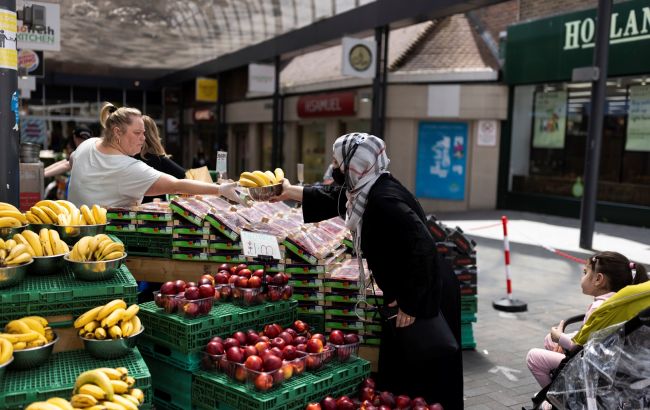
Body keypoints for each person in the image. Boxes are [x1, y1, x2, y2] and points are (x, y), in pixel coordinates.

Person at [271, 132, 463, 408]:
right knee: (403, 368)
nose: (334, 169)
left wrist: (410, 302)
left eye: (338, 163)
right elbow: (334, 197)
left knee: (426, 366)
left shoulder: (383, 200)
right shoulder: (368, 187)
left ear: (354, 165)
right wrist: (289, 192)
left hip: (426, 290)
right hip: (411, 287)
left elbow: (423, 247)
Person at [67, 102, 241, 208]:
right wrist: (219, 189)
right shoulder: (128, 168)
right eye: (137, 133)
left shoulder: (87, 145)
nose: (143, 138)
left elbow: (72, 160)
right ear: (117, 132)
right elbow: (176, 185)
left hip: (70, 232)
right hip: (104, 243)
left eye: (144, 133)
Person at [526, 251, 648, 389]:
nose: (582, 277)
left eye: (585, 272)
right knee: (549, 339)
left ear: (598, 279)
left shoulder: (599, 308)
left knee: (533, 357)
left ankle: (551, 396)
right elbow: (592, 335)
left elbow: (579, 346)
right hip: (607, 357)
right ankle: (562, 378)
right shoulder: (618, 303)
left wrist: (559, 337)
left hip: (589, 364)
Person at [135, 115, 186, 202]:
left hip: (129, 211)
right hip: (157, 212)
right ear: (154, 134)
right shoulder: (160, 160)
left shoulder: (127, 158)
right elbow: (185, 177)